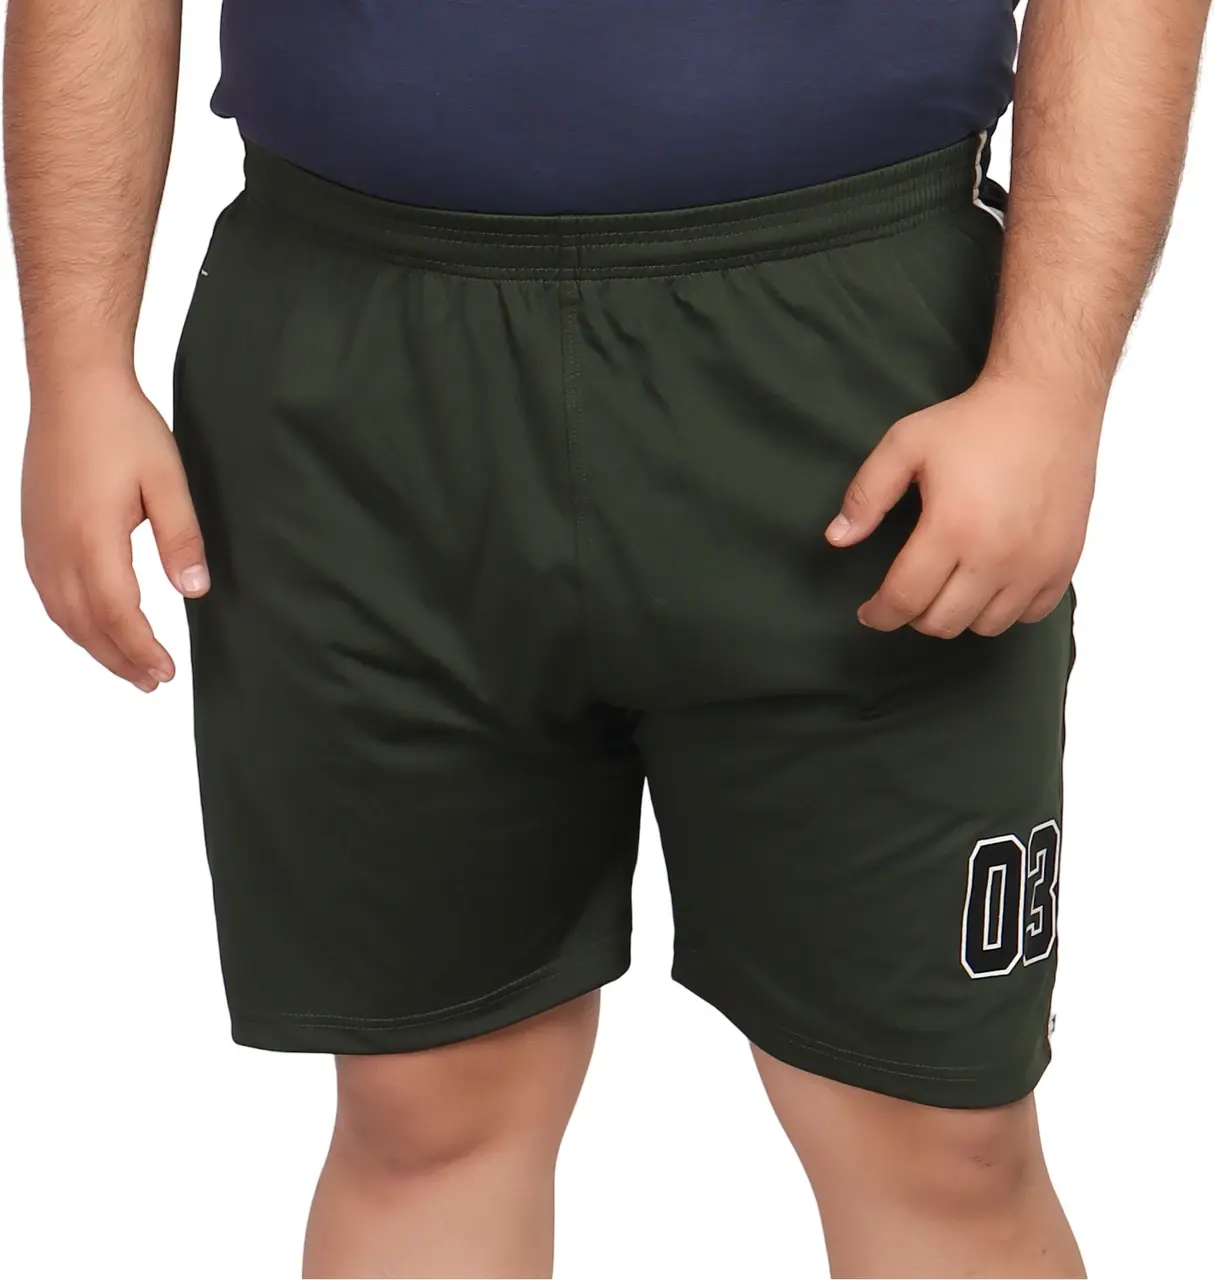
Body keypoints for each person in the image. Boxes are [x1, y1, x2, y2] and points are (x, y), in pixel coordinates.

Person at [6, 1, 1210, 1276]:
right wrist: (77, 365)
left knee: (938, 1135)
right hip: (358, 364)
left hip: (858, 354)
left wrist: (1049, 382)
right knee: (426, 1105)